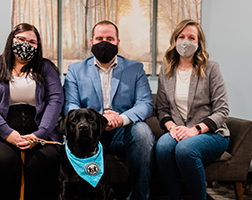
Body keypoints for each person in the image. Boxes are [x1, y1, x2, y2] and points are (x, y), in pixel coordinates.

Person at [63, 20, 155, 200]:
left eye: (109, 38)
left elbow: (146, 104)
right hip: (91, 131)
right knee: (68, 135)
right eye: (99, 38)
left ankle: (139, 196)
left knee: (143, 132)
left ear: (118, 42)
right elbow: (70, 105)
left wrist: (121, 119)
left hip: (123, 132)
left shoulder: (135, 69)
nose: (104, 43)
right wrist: (98, 121)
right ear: (91, 42)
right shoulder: (75, 70)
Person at [0, 23, 64, 200]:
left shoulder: (46, 68)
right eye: (21, 39)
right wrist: (8, 133)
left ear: (38, 46)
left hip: (38, 132)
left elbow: (56, 100)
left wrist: (40, 134)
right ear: (11, 40)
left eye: (32, 42)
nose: (26, 44)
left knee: (46, 160)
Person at [155, 19, 230, 200]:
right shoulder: (166, 70)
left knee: (185, 149)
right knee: (163, 147)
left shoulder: (211, 68)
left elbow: (222, 109)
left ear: (199, 42)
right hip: (179, 130)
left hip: (211, 133)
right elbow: (162, 109)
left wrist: (195, 130)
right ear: (175, 40)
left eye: (191, 37)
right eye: (181, 37)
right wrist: (173, 128)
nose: (186, 41)